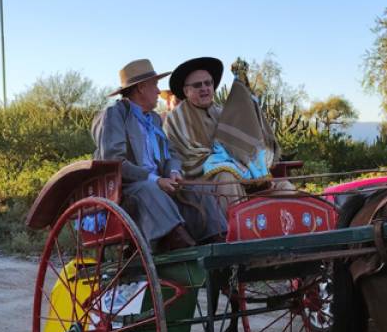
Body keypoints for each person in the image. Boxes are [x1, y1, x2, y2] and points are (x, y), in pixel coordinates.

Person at [91, 59, 226, 251]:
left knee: (195, 188)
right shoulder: (115, 114)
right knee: (150, 188)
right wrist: (155, 180)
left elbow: (171, 153)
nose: (158, 91)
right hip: (128, 187)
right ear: (141, 88)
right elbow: (114, 162)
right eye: (154, 85)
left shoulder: (153, 119)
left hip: (156, 183)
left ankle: (216, 240)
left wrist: (173, 172)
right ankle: (177, 242)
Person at [163, 57, 293, 214]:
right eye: (197, 85)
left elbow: (242, 145)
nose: (204, 88)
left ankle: (296, 225)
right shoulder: (176, 119)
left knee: (283, 186)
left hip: (241, 173)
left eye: (208, 83)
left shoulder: (223, 112)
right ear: (186, 91)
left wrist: (249, 167)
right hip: (202, 181)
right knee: (226, 177)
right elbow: (191, 158)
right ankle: (235, 227)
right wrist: (235, 166)